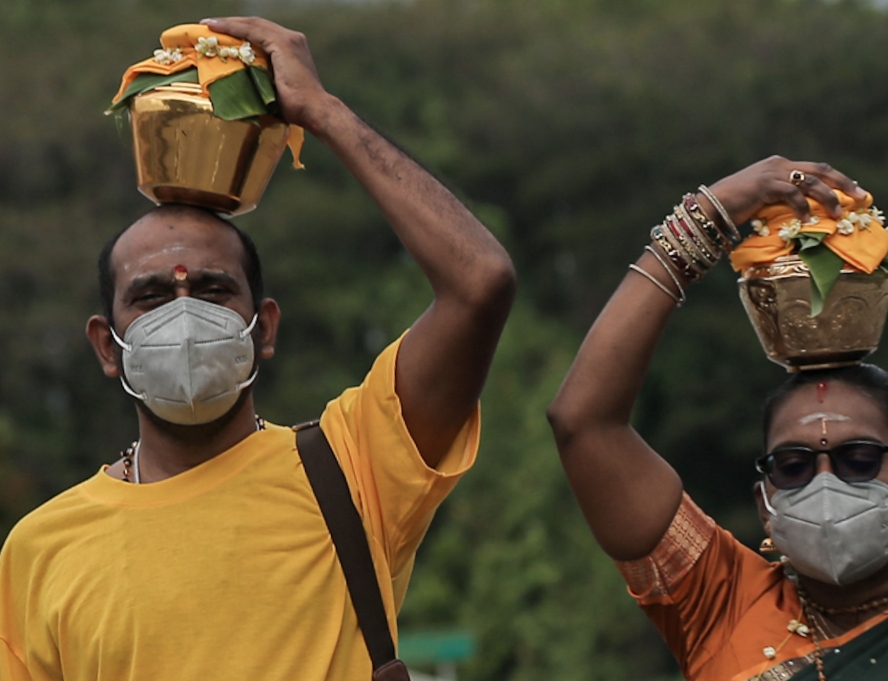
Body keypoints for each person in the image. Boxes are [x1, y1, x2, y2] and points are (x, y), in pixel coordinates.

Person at [0, 16, 515, 681]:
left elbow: (481, 281)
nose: (184, 314)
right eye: (151, 296)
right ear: (108, 342)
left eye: (213, 289)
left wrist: (323, 113)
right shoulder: (40, 550)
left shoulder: (352, 469)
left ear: (264, 326)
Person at [546, 157, 888, 681]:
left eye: (858, 458)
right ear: (765, 501)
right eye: (793, 465)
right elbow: (584, 423)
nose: (825, 483)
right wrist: (706, 216)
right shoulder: (718, 604)